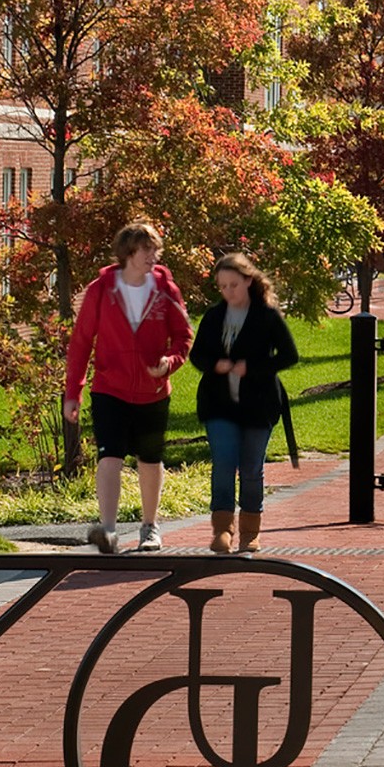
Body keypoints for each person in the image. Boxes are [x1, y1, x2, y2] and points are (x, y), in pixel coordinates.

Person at [63, 222, 193, 556]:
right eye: (147, 249)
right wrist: (73, 392)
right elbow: (80, 343)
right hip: (110, 389)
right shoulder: (101, 290)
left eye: (156, 249)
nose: (154, 255)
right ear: (129, 252)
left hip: (153, 392)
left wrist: (170, 362)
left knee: (150, 459)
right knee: (110, 457)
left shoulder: (166, 290)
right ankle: (107, 530)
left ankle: (149, 527)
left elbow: (183, 336)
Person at [189, 251, 301, 555]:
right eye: (223, 286)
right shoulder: (214, 316)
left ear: (248, 281)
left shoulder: (266, 316)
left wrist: (252, 368)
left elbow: (290, 356)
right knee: (224, 463)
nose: (228, 292)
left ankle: (250, 533)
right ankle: (222, 529)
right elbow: (196, 355)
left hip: (258, 404)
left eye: (233, 285)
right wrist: (216, 365)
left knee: (251, 468)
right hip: (219, 404)